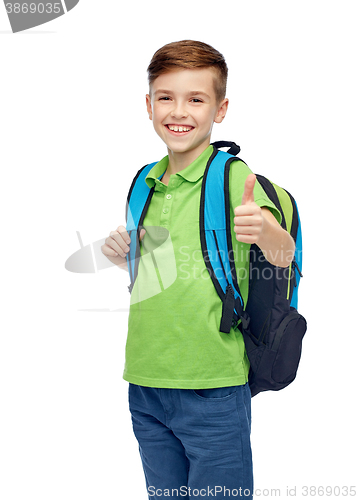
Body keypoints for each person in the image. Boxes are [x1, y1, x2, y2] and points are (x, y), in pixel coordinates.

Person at [101, 40, 295, 500]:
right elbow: (156, 276)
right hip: (145, 382)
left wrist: (263, 230)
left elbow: (284, 253)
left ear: (220, 108)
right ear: (148, 105)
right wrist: (121, 256)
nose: (178, 111)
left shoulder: (232, 178)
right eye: (166, 97)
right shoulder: (144, 181)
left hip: (213, 387)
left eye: (196, 98)